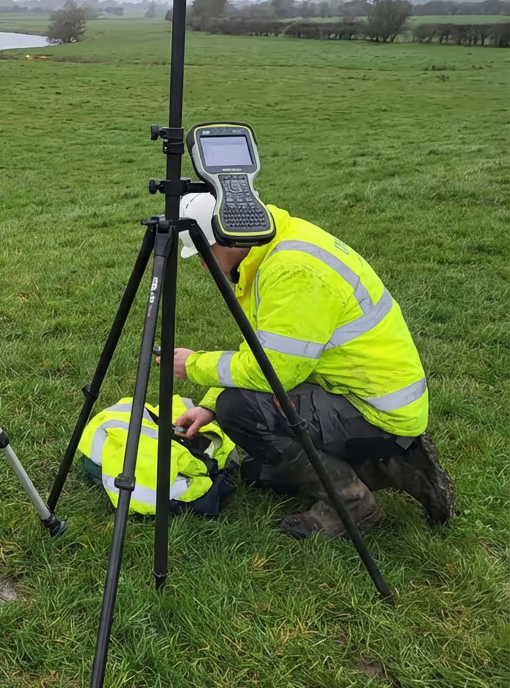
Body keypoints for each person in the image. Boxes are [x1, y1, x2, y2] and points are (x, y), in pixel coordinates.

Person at [167, 192, 455, 538]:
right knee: (263, 472)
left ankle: (353, 505)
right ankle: (396, 464)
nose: (202, 266)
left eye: (203, 253)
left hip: (374, 410)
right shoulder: (279, 243)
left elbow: (272, 371)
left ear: (226, 238)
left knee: (239, 411)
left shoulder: (291, 271)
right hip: (368, 395)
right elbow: (264, 349)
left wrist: (195, 365)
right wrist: (207, 406)